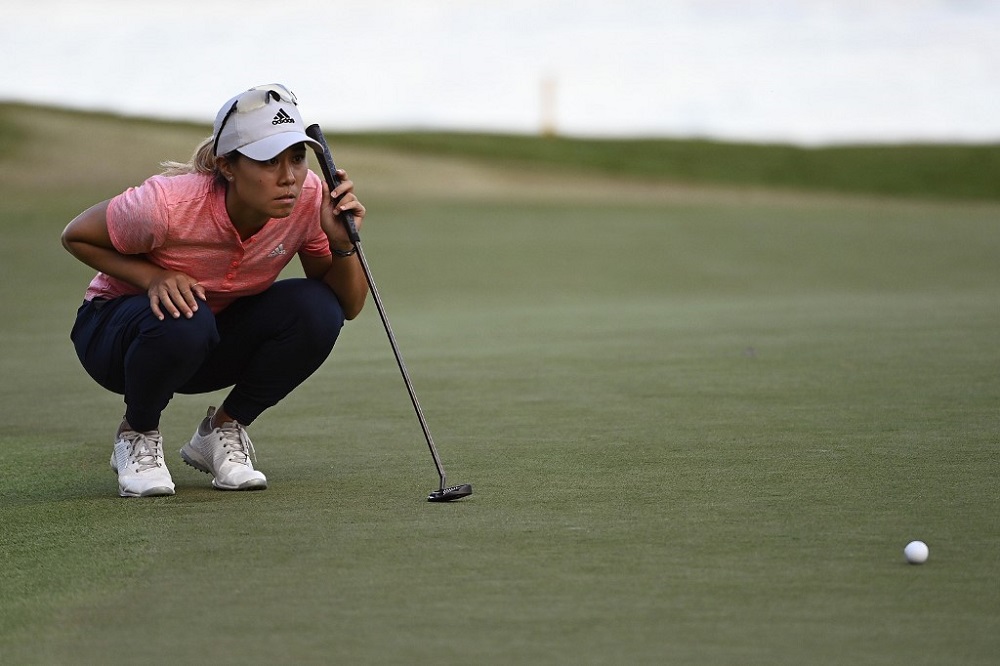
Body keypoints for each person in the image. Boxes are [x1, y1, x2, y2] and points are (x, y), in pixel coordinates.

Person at [61, 83, 368, 498]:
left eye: (296, 158)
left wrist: (342, 243)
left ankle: (221, 431)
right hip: (116, 337)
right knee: (188, 315)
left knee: (318, 309)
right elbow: (76, 236)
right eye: (268, 161)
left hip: (206, 337)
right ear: (227, 166)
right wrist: (153, 277)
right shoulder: (163, 206)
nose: (289, 178)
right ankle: (136, 433)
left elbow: (346, 305)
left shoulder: (310, 197)